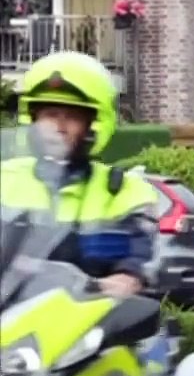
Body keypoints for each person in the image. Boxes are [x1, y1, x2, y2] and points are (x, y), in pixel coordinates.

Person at [0, 51, 159, 298]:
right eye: (50, 115)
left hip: (87, 320)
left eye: (72, 117)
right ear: (33, 120)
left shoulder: (122, 190)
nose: (59, 128)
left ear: (91, 126)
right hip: (11, 312)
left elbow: (141, 255)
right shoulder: (5, 178)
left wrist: (127, 278)